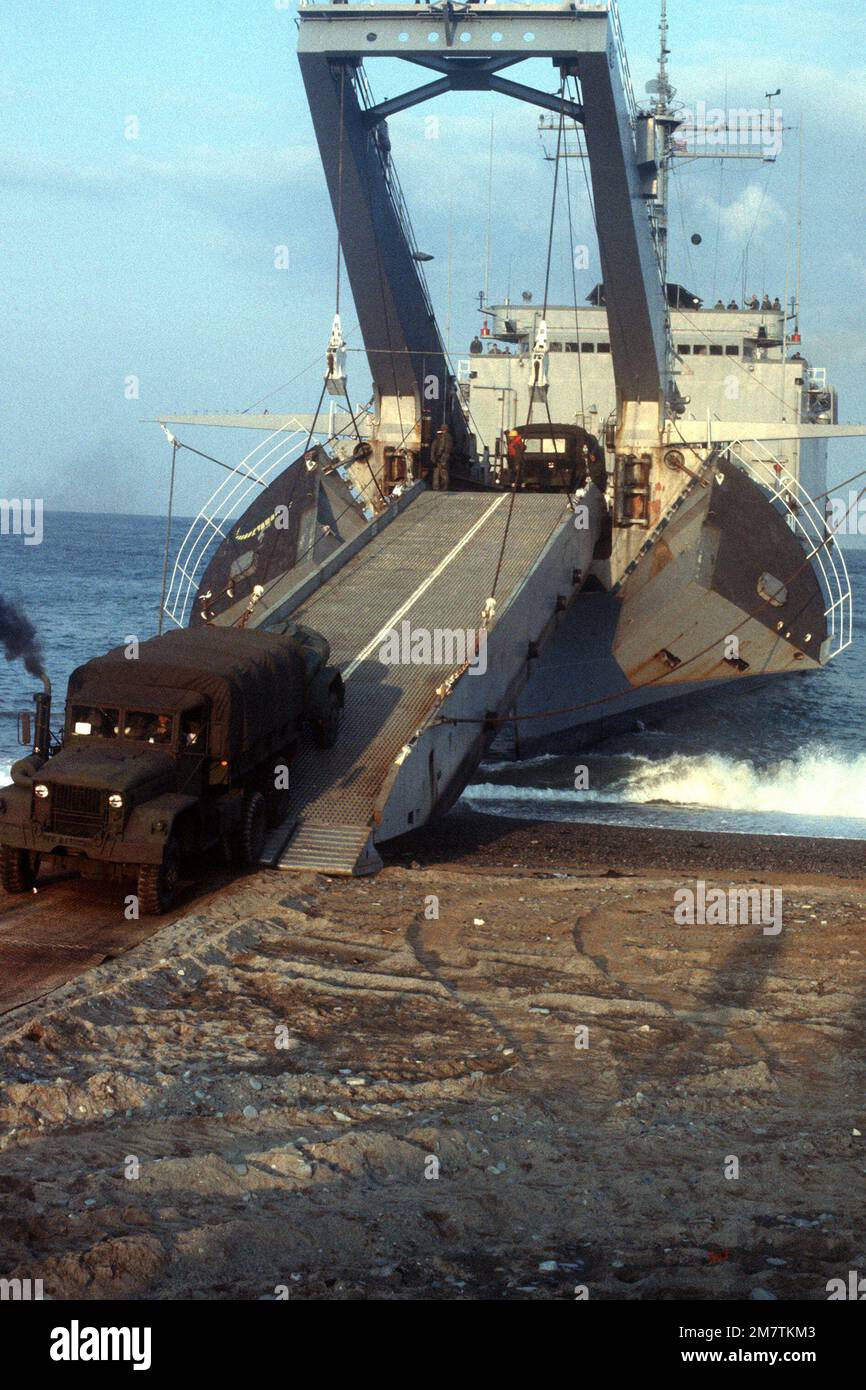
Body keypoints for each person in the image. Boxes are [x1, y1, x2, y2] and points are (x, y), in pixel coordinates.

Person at [430, 425, 452, 491]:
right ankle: (444, 486)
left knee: (441, 471)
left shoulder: (444, 437)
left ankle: (438, 487)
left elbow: (441, 447)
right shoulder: (450, 437)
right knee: (443, 471)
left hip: (442, 457)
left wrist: (438, 455)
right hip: (446, 456)